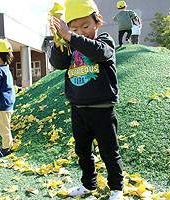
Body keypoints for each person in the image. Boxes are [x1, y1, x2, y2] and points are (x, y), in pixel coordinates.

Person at [49, 0, 124, 199]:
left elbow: (101, 53)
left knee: (109, 151)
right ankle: (88, 185)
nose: (80, 32)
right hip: (78, 108)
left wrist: (70, 35)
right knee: (83, 152)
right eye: (74, 28)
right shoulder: (71, 46)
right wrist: (58, 41)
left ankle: (116, 188)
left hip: (102, 109)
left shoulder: (105, 41)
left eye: (85, 26)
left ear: (98, 22)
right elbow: (58, 64)